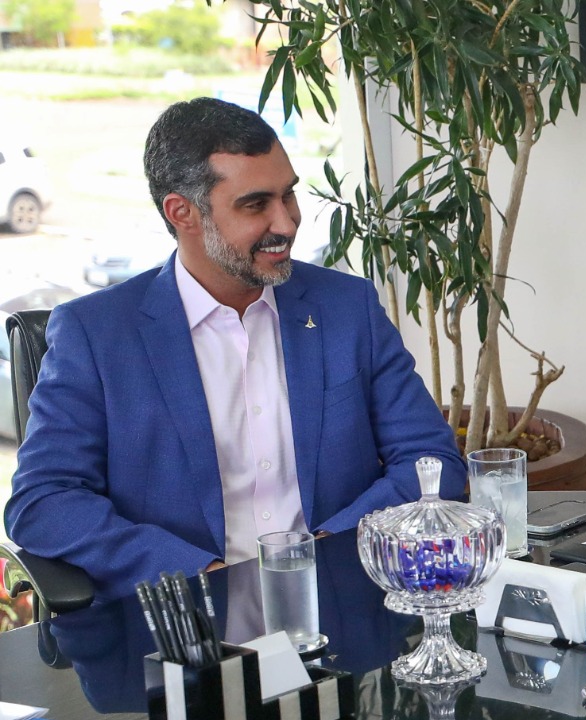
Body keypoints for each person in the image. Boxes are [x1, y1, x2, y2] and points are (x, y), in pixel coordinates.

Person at [4, 98, 465, 602]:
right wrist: (203, 574)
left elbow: (431, 460)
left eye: (289, 195)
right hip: (187, 621)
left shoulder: (346, 307)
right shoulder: (96, 334)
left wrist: (326, 551)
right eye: (255, 204)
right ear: (182, 213)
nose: (286, 223)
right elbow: (44, 502)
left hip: (342, 600)